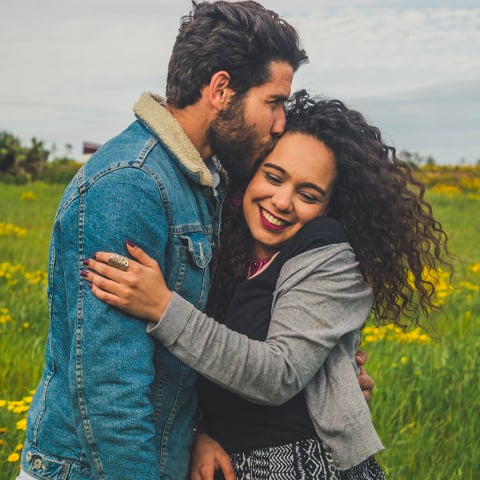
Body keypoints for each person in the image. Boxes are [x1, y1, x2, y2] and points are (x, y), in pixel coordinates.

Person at [81, 91, 453, 479]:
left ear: (328, 208)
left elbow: (278, 374)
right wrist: (200, 433)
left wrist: (161, 307)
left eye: (308, 195)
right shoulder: (219, 249)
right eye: (274, 177)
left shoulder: (329, 254)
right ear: (250, 173)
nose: (282, 201)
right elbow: (203, 366)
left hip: (308, 467)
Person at [18, 2, 310, 480]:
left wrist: (197, 432)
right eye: (273, 102)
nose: (280, 123)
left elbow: (176, 351)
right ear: (220, 89)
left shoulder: (199, 177)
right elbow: (110, 390)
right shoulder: (132, 184)